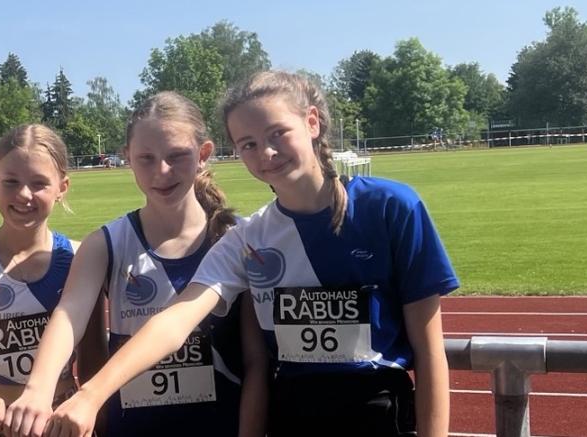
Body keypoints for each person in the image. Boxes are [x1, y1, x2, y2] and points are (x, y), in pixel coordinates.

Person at [45, 71, 458, 437]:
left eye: (278, 134)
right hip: (293, 418)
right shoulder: (249, 238)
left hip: (378, 416)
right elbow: (175, 322)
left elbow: (429, 348)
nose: (267, 154)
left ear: (311, 122)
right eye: (249, 144)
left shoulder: (391, 207)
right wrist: (91, 395)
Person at [6, 91, 268, 437]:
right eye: (146, 158)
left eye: (176, 156)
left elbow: (255, 363)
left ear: (203, 154)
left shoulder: (236, 238)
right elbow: (69, 315)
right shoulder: (106, 244)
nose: (162, 171)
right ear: (127, 157)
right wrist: (38, 390)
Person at [0, 124, 80, 436]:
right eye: (11, 182)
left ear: (62, 187)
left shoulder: (79, 255)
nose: (24, 195)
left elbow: (90, 352)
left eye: (39, 184)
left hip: (56, 422)